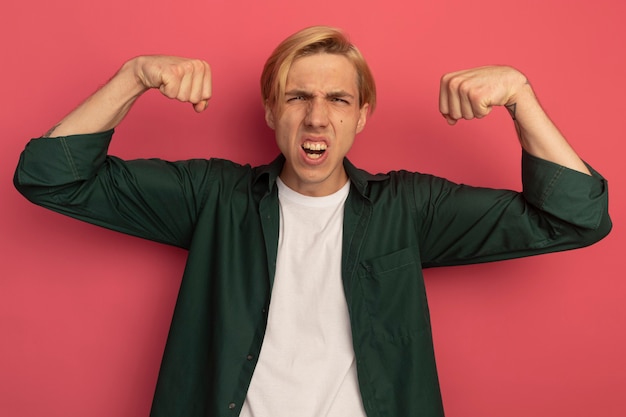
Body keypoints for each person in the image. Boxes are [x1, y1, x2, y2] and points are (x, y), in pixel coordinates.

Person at [14, 25, 611, 417]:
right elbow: (49, 176)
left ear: (362, 116)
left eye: (339, 100)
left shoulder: (408, 208)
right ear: (272, 111)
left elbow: (575, 217)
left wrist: (520, 96)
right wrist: (134, 75)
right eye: (298, 98)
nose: (317, 118)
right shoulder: (214, 197)